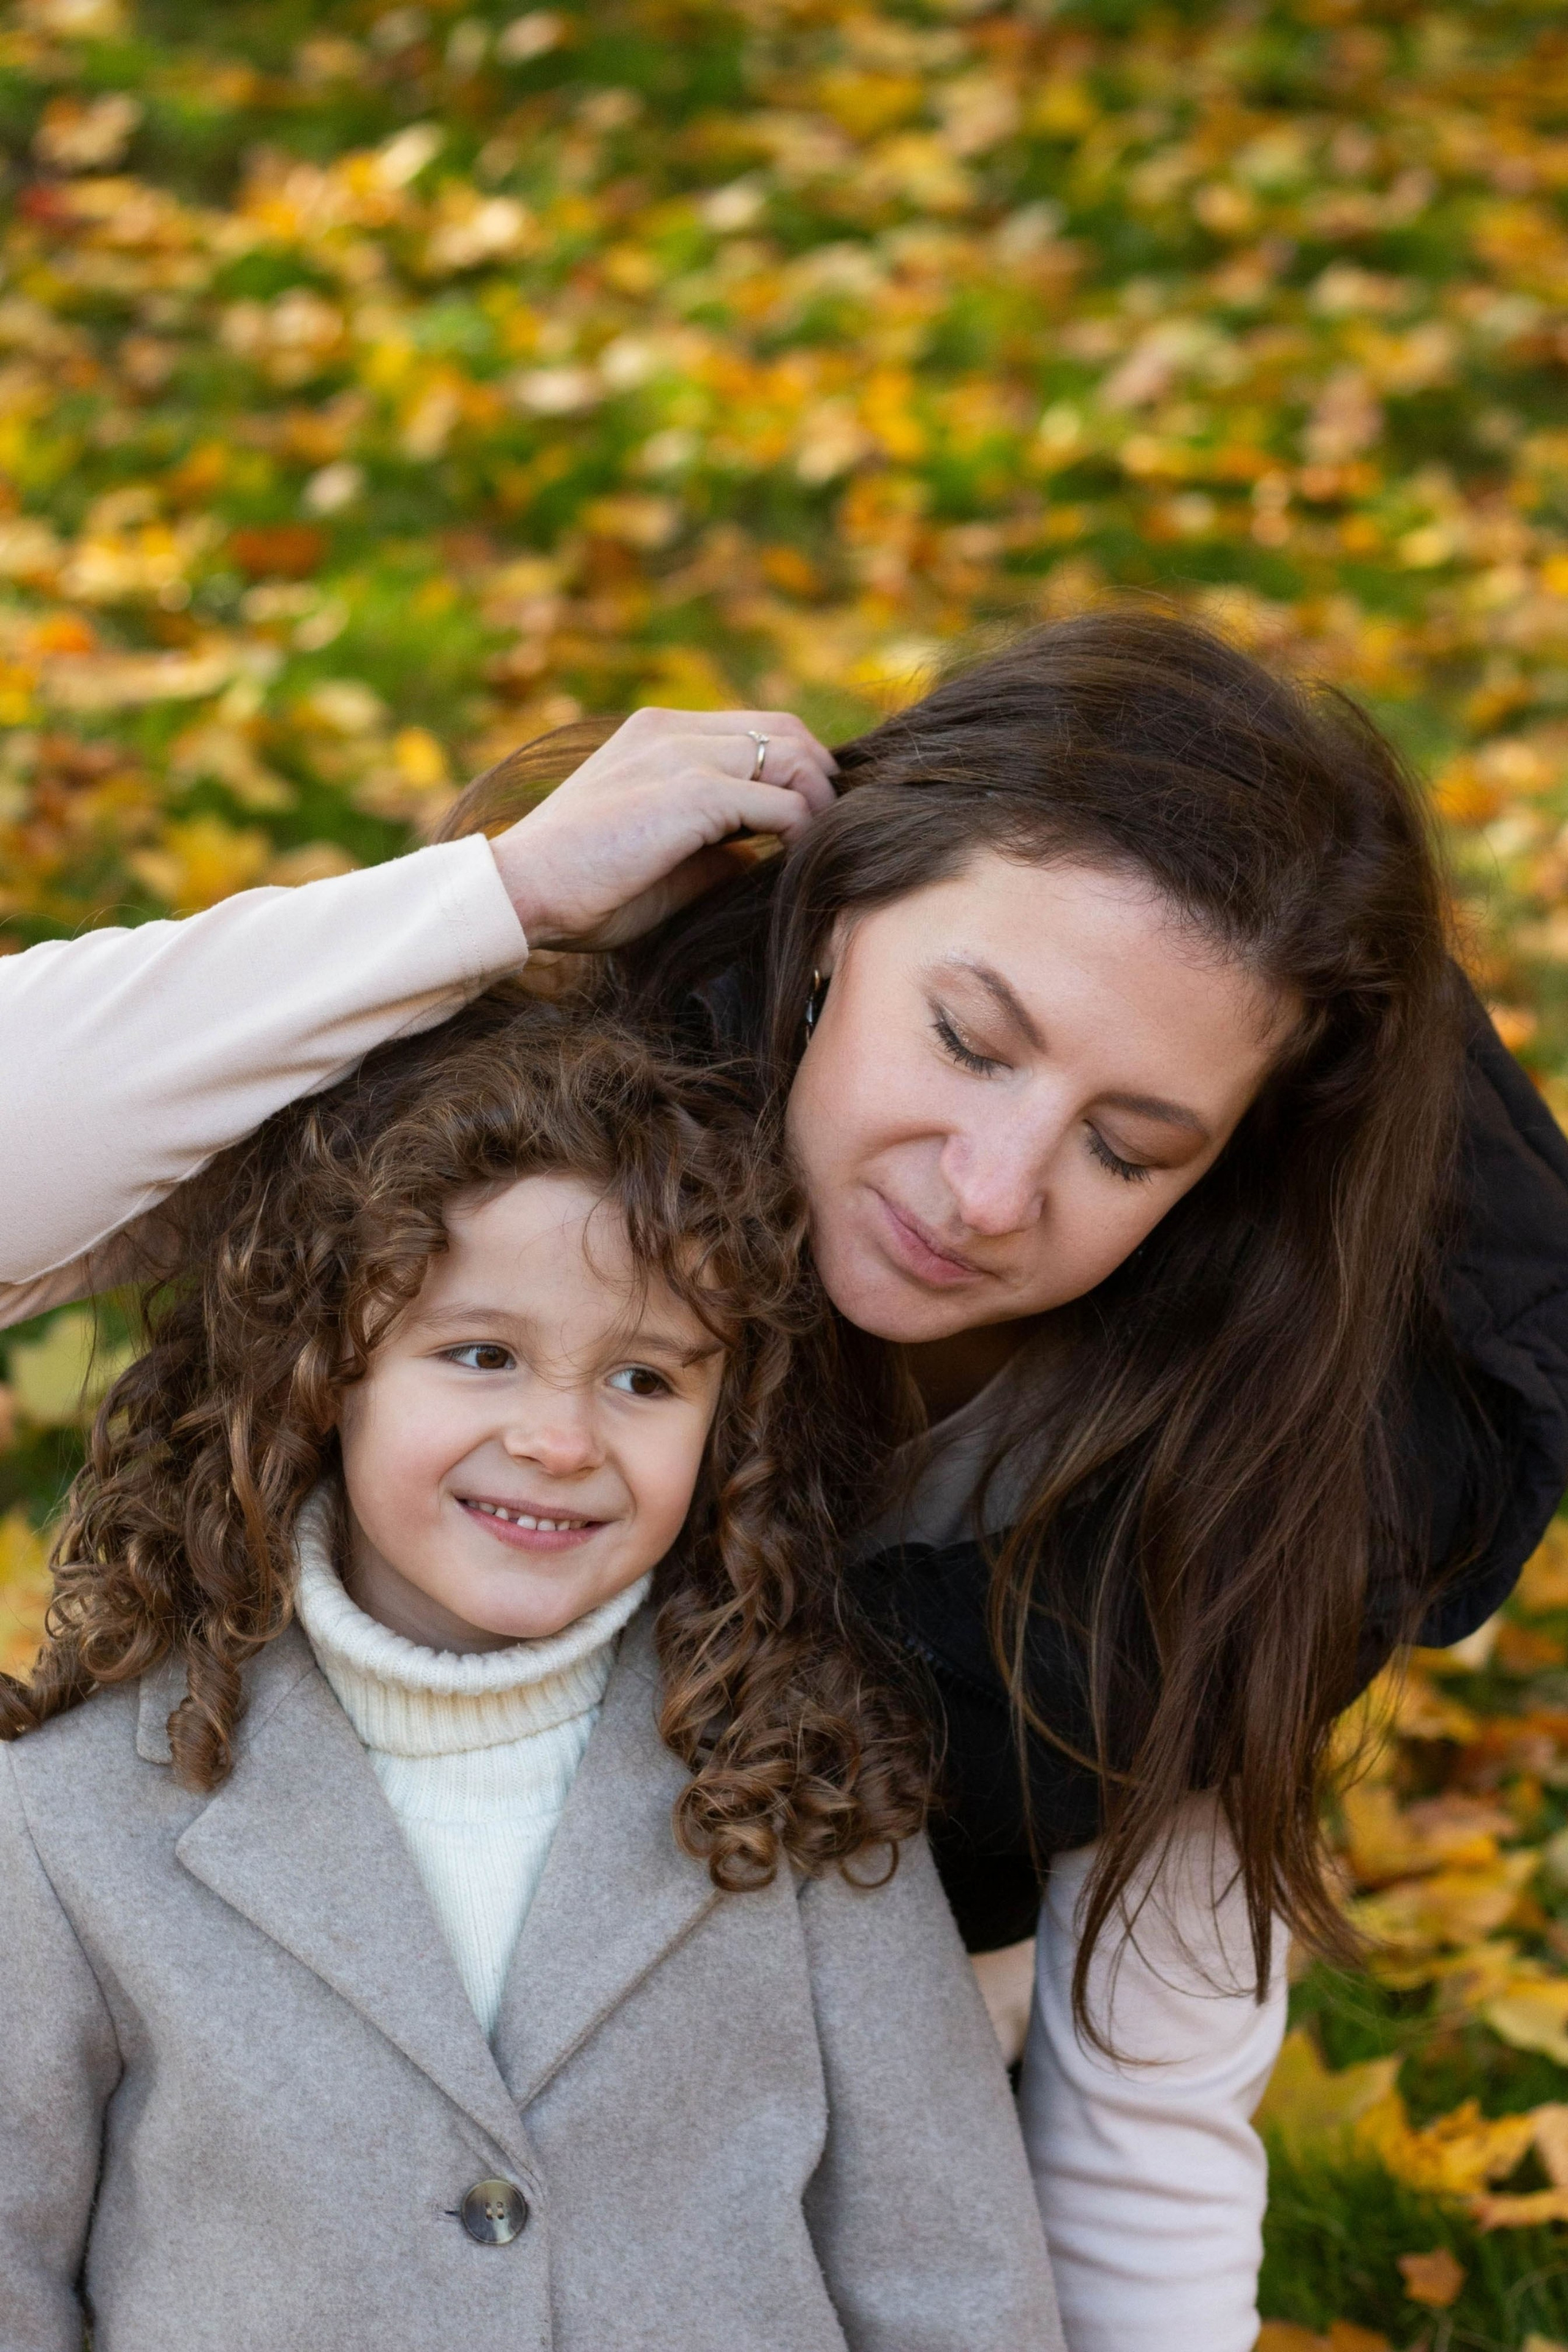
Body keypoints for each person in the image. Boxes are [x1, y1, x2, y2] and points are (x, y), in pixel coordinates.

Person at [3, 608, 1566, 2348]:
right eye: (969, 1039)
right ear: (833, 925)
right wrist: (496, 900)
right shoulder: (535, 1145)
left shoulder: (1236, 1464)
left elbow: (1146, 2125)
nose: (989, 1188)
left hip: (776, 2055)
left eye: (1127, 1149)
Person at [0, 998, 1061, 2352]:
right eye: (481, 1355)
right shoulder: (74, 1814)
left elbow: (951, 2272)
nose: (559, 1440)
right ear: (325, 1373)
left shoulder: (804, 1778)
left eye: (641, 1378)